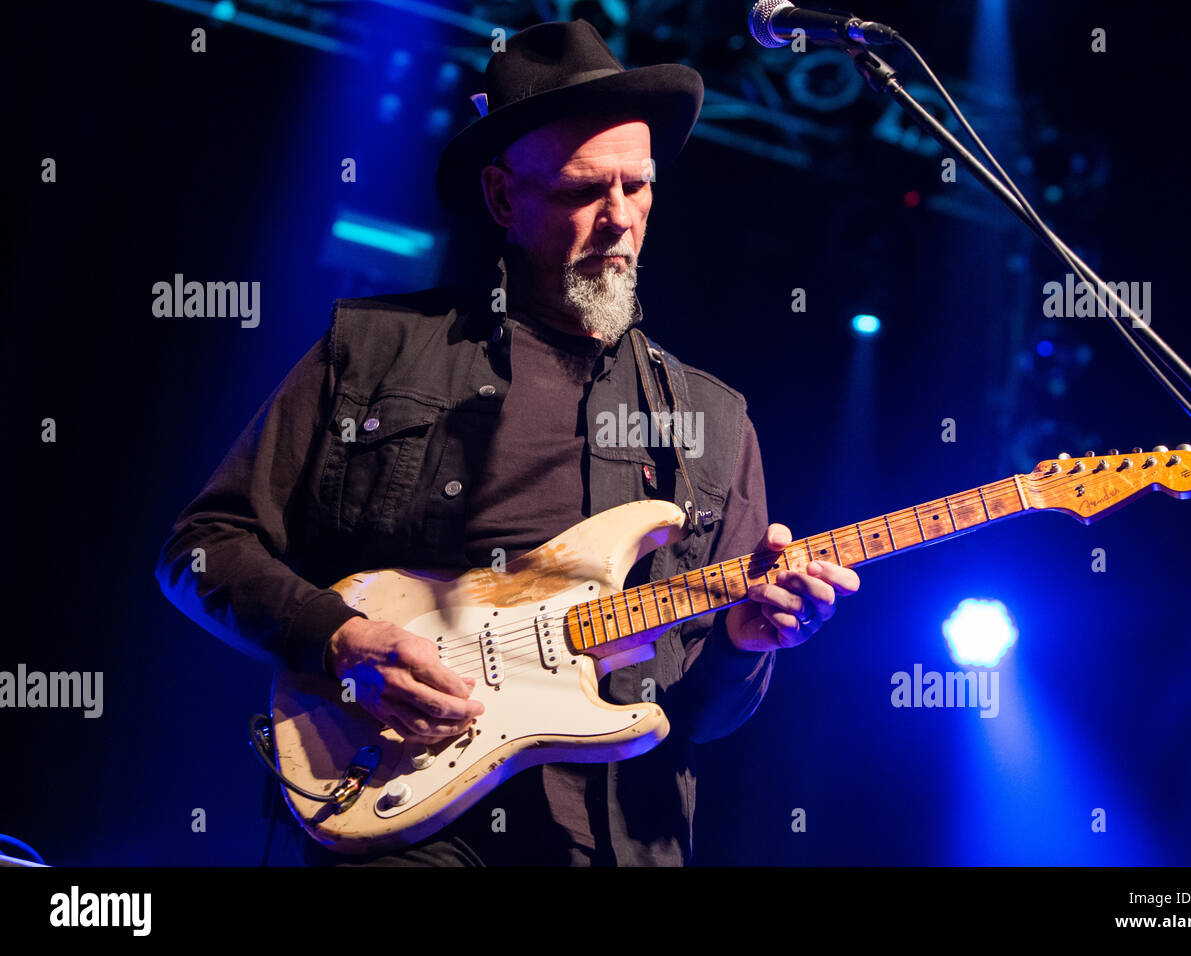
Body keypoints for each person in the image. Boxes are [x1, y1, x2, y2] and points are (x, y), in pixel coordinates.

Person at [155, 18, 859, 867]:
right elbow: (201, 548)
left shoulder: (714, 420)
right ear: (502, 197)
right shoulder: (379, 349)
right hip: (406, 813)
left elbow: (704, 716)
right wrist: (339, 637)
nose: (618, 220)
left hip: (619, 841)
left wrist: (751, 642)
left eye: (637, 188)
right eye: (580, 191)